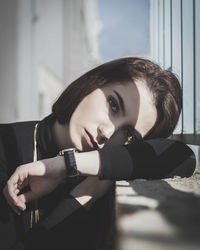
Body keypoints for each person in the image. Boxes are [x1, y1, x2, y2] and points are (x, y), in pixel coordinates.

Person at [1, 57, 195, 250]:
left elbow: (182, 156)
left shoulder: (101, 178)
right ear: (94, 82)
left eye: (129, 134)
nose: (108, 132)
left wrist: (68, 166)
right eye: (113, 105)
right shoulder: (6, 144)